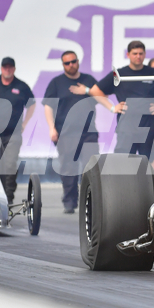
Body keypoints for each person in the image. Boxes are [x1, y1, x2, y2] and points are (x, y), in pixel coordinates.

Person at [72, 41, 154, 172]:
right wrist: (112, 107)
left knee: (150, 164)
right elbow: (95, 90)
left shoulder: (153, 72)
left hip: (148, 127)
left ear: (145, 55)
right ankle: (124, 185)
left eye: (141, 53)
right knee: (123, 163)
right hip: (126, 127)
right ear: (128, 55)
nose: (138, 56)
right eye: (135, 53)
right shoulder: (119, 74)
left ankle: (148, 185)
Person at [43, 51, 100, 214]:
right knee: (68, 168)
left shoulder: (88, 80)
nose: (71, 65)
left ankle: (91, 201)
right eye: (67, 63)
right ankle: (69, 201)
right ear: (63, 65)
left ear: (78, 61)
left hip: (88, 132)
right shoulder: (56, 83)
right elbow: (48, 106)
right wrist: (51, 128)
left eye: (73, 61)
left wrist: (87, 90)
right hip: (65, 133)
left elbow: (102, 96)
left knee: (91, 167)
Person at [0, 57, 36, 204]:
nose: (7, 69)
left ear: (14, 69)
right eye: (5, 67)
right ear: (1, 68)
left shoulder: (21, 86)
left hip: (13, 133)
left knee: (9, 166)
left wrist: (25, 123)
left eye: (10, 67)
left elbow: (32, 104)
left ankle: (7, 199)